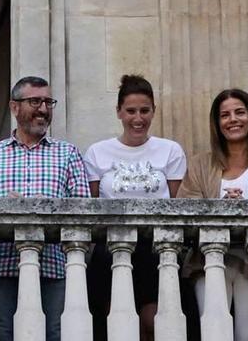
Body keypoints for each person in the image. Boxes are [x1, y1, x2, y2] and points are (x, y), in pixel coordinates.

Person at [0, 76, 90, 341]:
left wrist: (44, 208)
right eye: (35, 101)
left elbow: (84, 213)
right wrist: (3, 208)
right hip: (1, 267)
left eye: (48, 102)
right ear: (14, 107)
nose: (43, 109)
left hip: (54, 268)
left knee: (57, 335)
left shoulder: (68, 154)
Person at [178, 88, 248, 341]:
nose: (233, 120)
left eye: (240, 112)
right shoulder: (199, 165)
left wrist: (246, 208)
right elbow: (184, 211)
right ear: (217, 123)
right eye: (225, 115)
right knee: (214, 332)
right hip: (209, 261)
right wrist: (220, 205)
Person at [83, 74, 187, 341]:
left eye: (144, 110)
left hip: (156, 251)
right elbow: (92, 207)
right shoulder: (98, 152)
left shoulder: (170, 150)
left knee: (154, 324)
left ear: (154, 111)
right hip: (111, 251)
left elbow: (179, 204)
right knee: (118, 325)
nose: (137, 118)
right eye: (130, 111)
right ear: (119, 112)